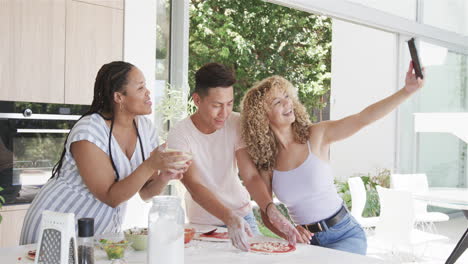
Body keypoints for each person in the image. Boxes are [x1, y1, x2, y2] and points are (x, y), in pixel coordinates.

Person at [240, 62, 424, 255]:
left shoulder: (317, 136)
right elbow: (267, 212)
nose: (288, 103)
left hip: (344, 234)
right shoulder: (267, 161)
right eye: (277, 102)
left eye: (287, 96)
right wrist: (289, 232)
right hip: (307, 243)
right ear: (262, 116)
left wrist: (406, 91)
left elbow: (363, 118)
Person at [20, 61, 191, 244]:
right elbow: (111, 197)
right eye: (141, 88)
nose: (148, 92)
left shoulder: (145, 128)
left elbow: (146, 192)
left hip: (98, 233)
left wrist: (164, 176)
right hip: (55, 228)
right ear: (119, 97)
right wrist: (151, 164)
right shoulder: (89, 131)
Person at [167, 62, 300, 251]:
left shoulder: (235, 122)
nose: (224, 113)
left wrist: (270, 209)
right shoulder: (180, 135)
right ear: (197, 100)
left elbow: (250, 175)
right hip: (204, 225)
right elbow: (195, 186)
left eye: (229, 104)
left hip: (242, 216)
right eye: (217, 105)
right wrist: (228, 217)